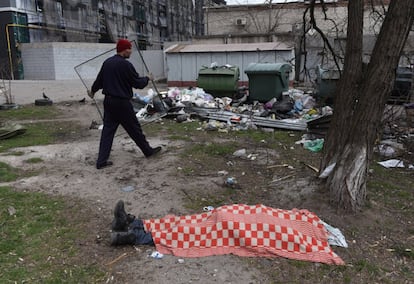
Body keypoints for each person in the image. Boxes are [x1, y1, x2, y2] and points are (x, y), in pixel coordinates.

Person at [89, 39, 161, 169]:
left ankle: (101, 161)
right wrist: (148, 79)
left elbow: (99, 81)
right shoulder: (126, 65)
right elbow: (137, 83)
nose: (131, 51)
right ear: (124, 49)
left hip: (109, 102)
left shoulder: (107, 63)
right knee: (134, 129)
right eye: (129, 49)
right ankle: (148, 151)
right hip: (122, 103)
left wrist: (93, 91)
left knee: (107, 132)